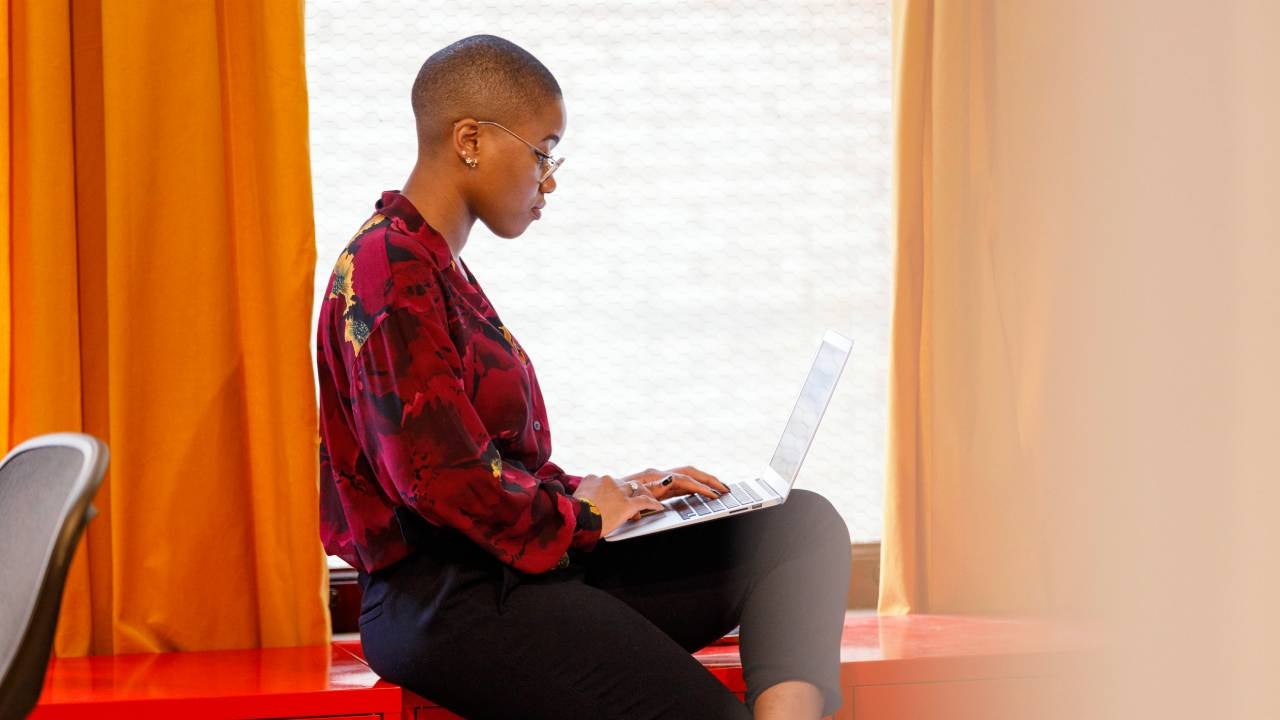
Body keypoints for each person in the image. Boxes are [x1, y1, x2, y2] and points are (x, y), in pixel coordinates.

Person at [316, 34, 851, 720]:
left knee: (796, 527)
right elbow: (444, 485)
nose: (550, 179)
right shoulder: (391, 268)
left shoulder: (435, 265)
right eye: (543, 151)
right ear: (470, 139)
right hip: (449, 600)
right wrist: (587, 514)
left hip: (514, 565)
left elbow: (484, 462)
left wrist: (609, 493)